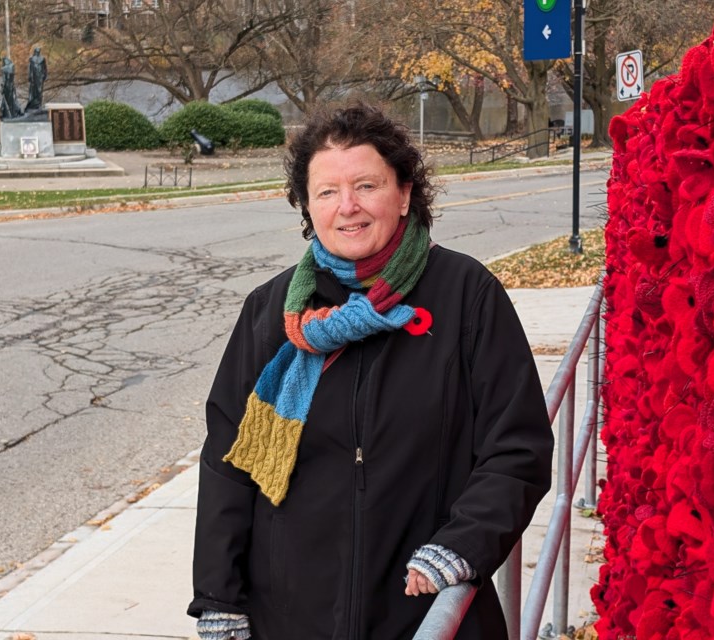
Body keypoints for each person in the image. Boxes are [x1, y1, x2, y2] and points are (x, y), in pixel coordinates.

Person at [188, 101, 554, 639]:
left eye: (367, 185)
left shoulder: (465, 295)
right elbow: (228, 459)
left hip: (424, 608)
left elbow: (517, 447)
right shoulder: (271, 312)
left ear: (404, 193)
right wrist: (218, 595)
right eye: (327, 192)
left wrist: (462, 544)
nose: (348, 207)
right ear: (308, 208)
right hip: (291, 617)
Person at [25, 46, 47, 112]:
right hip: (34, 76)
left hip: (40, 76)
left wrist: (44, 75)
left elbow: (45, 68)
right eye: (36, 51)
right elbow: (30, 68)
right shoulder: (31, 59)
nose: (37, 52)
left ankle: (39, 104)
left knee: (39, 90)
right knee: (33, 90)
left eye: (38, 51)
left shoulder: (43, 59)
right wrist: (29, 76)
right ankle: (33, 104)